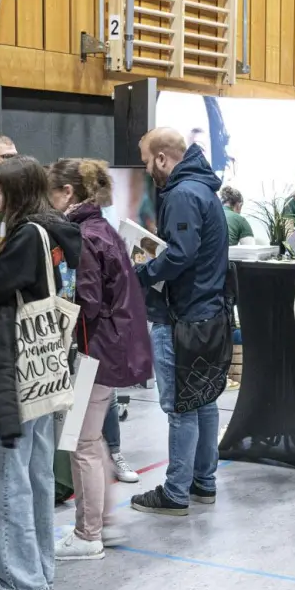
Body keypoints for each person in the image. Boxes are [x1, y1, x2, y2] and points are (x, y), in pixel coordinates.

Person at [0, 155, 80, 590]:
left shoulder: (27, 235)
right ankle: (37, 570)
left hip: (15, 368)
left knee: (6, 475)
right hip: (48, 368)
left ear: (16, 193)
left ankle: (17, 582)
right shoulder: (55, 230)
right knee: (35, 470)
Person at [48, 158, 154, 560]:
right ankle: (100, 524)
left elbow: (86, 300)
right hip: (107, 349)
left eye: (51, 192)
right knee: (91, 441)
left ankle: (88, 531)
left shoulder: (87, 235)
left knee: (83, 443)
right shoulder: (99, 228)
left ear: (68, 192)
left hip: (96, 352)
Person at [129, 129, 228, 518]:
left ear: (163, 159)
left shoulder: (184, 194)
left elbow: (180, 255)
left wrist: (140, 272)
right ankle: (203, 481)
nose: (146, 169)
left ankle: (175, 492)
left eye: (146, 161)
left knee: (181, 407)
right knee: (203, 401)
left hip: (183, 317)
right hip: (205, 312)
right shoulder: (201, 189)